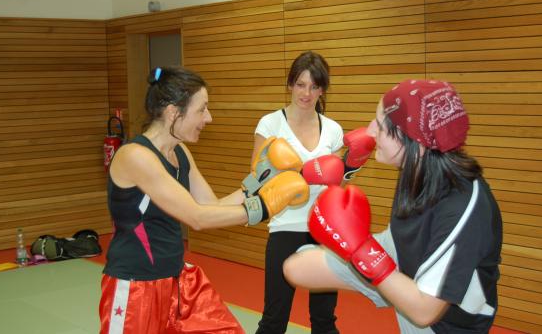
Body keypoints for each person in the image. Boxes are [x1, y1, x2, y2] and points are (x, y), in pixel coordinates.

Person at [99, 66, 310, 334]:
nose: (208, 118)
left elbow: (213, 206)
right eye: (202, 109)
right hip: (135, 287)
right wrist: (264, 206)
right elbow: (196, 217)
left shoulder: (181, 152)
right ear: (174, 112)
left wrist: (259, 180)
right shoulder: (136, 156)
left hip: (177, 282)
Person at [283, 79, 503, 333]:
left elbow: (425, 312)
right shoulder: (417, 166)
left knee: (412, 304)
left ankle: (390, 284)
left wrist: (362, 251)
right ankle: (389, 284)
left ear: (416, 144)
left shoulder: (463, 205)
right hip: (402, 255)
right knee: (297, 266)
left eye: (382, 126)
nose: (370, 131)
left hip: (443, 321)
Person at [251, 51, 344, 334]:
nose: (307, 92)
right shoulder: (270, 124)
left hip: (323, 227)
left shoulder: (332, 129)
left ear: (322, 89)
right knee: (274, 319)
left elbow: (338, 183)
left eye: (314, 86)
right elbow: (256, 179)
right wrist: (298, 174)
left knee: (325, 319)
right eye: (301, 84)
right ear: (290, 84)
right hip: (285, 227)